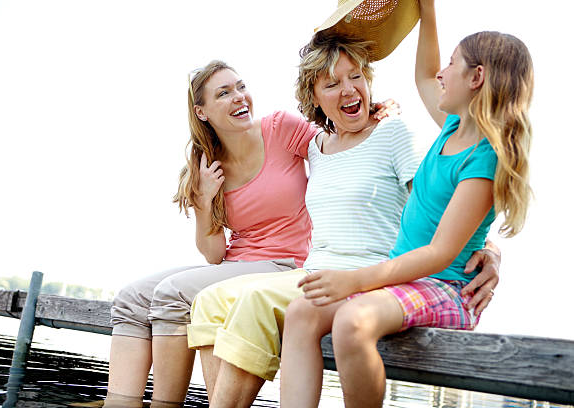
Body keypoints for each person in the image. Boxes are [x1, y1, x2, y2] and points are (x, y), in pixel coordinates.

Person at [186, 32, 502, 408]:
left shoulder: (393, 134)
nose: (349, 90)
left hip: (368, 274)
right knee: (208, 302)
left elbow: (440, 204)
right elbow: (259, 159)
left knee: (255, 300)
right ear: (314, 98)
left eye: (356, 77)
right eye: (332, 84)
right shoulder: (316, 147)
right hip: (315, 272)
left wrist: (489, 248)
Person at [279, 0, 533, 406]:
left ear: (476, 78)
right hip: (407, 283)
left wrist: (354, 281)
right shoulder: (453, 125)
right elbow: (421, 73)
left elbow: (439, 253)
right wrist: (426, 8)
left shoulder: (484, 157)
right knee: (302, 312)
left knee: (351, 322)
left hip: (446, 287)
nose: (440, 72)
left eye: (452, 64)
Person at [105, 60, 396, 407]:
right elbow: (214, 255)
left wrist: (368, 120)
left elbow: (333, 146)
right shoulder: (206, 161)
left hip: (287, 264)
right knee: (130, 298)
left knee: (172, 293)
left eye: (240, 87)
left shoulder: (280, 129)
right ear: (202, 112)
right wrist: (202, 201)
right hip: (236, 265)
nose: (238, 98)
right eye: (224, 93)